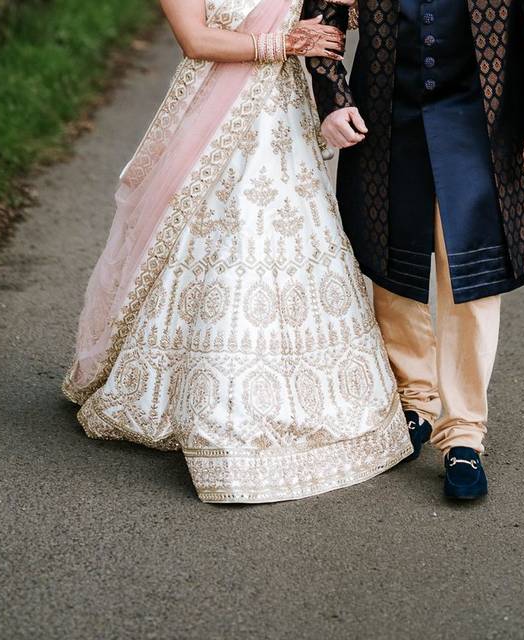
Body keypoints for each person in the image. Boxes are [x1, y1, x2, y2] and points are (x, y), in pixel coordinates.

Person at [62, 0, 413, 504]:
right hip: (212, 112)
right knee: (218, 245)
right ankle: (203, 396)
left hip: (284, 115)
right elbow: (196, 40)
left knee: (286, 243)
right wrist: (284, 42)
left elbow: (341, 15)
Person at [304, 0, 524, 499]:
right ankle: (413, 399)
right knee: (391, 259)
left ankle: (464, 431)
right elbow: (324, 18)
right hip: (387, 113)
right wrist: (334, 99)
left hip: (483, 122)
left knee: (472, 268)